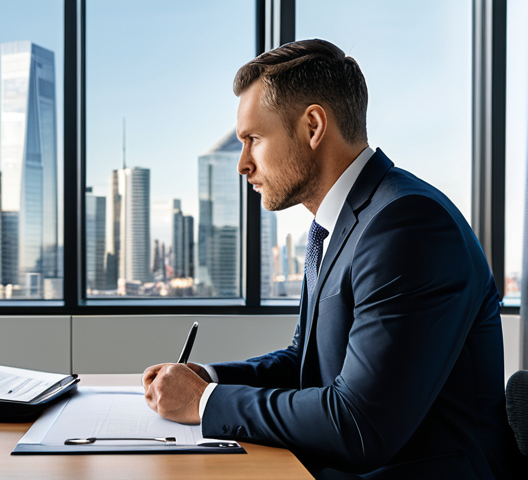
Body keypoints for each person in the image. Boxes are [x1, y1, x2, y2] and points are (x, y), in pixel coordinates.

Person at [141, 39, 524, 479]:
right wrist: (207, 378)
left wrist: (203, 403)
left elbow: (360, 424)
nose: (242, 164)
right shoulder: (334, 224)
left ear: (313, 126)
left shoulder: (408, 225)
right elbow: (304, 361)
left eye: (254, 139)